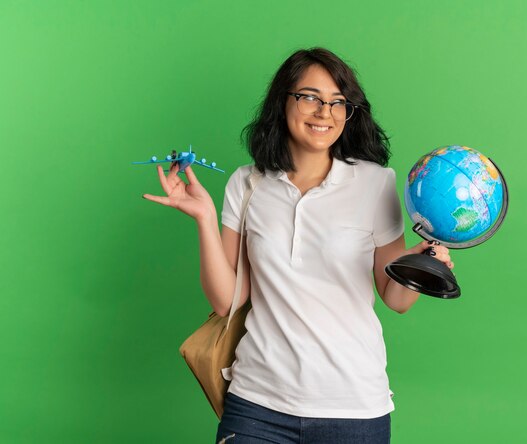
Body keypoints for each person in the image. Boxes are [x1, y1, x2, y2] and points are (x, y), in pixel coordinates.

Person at [143, 48, 453, 444]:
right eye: (310, 96)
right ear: (282, 101)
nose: (325, 111)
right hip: (257, 405)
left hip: (353, 408)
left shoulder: (375, 184)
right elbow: (226, 301)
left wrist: (424, 264)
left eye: (338, 102)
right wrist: (205, 217)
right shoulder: (247, 183)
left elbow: (396, 299)